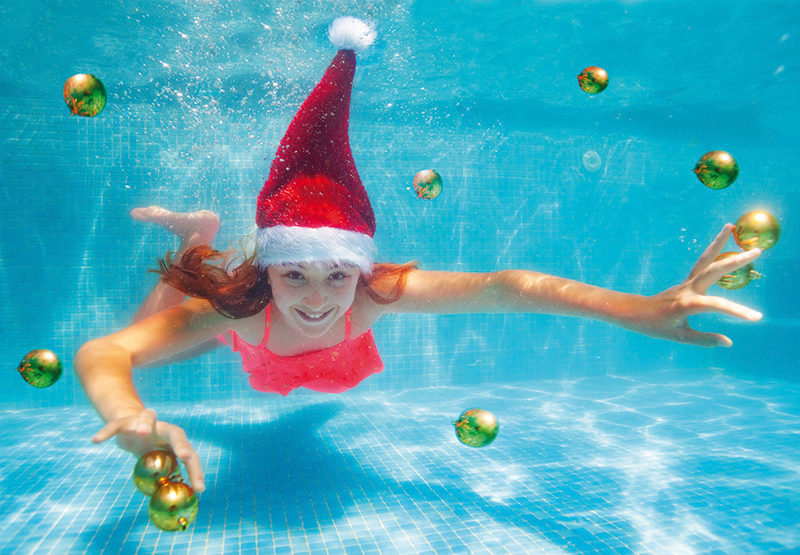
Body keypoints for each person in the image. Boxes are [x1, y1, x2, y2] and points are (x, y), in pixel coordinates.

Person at [74, 17, 763, 495]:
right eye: (294, 273)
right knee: (185, 331)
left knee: (216, 329)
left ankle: (203, 233)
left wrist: (641, 311)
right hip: (254, 332)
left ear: (361, 269)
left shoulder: (377, 290)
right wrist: (131, 413)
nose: (317, 297)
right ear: (268, 270)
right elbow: (104, 353)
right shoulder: (244, 305)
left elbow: (508, 286)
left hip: (299, 339)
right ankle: (200, 237)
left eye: (336, 273)